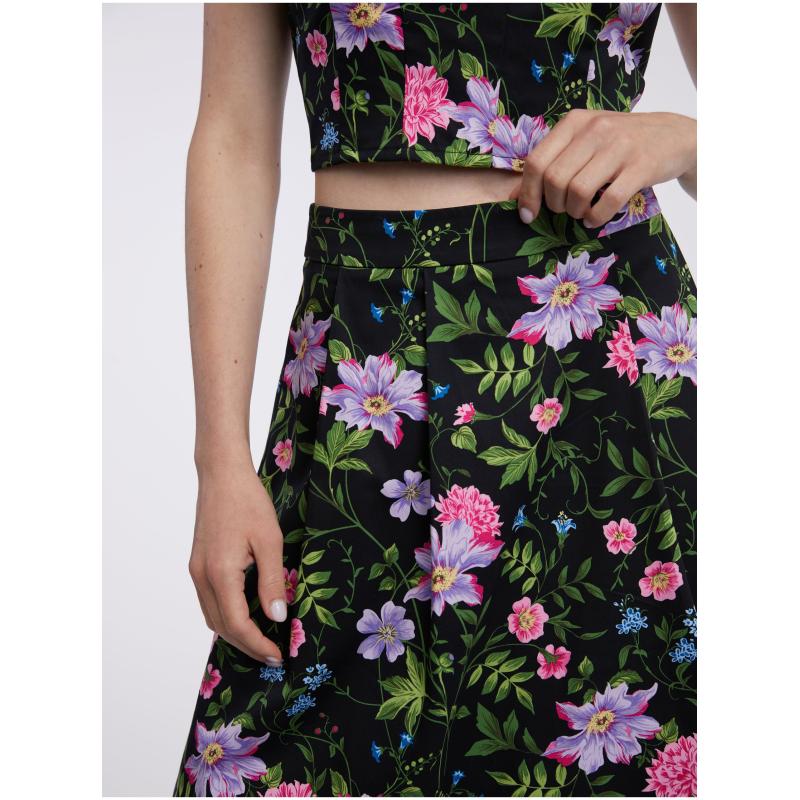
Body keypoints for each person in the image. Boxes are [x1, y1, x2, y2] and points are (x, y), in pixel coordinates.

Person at [175, 3, 697, 797]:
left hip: (602, 355)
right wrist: (220, 459)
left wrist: (687, 138)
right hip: (361, 373)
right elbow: (233, 139)